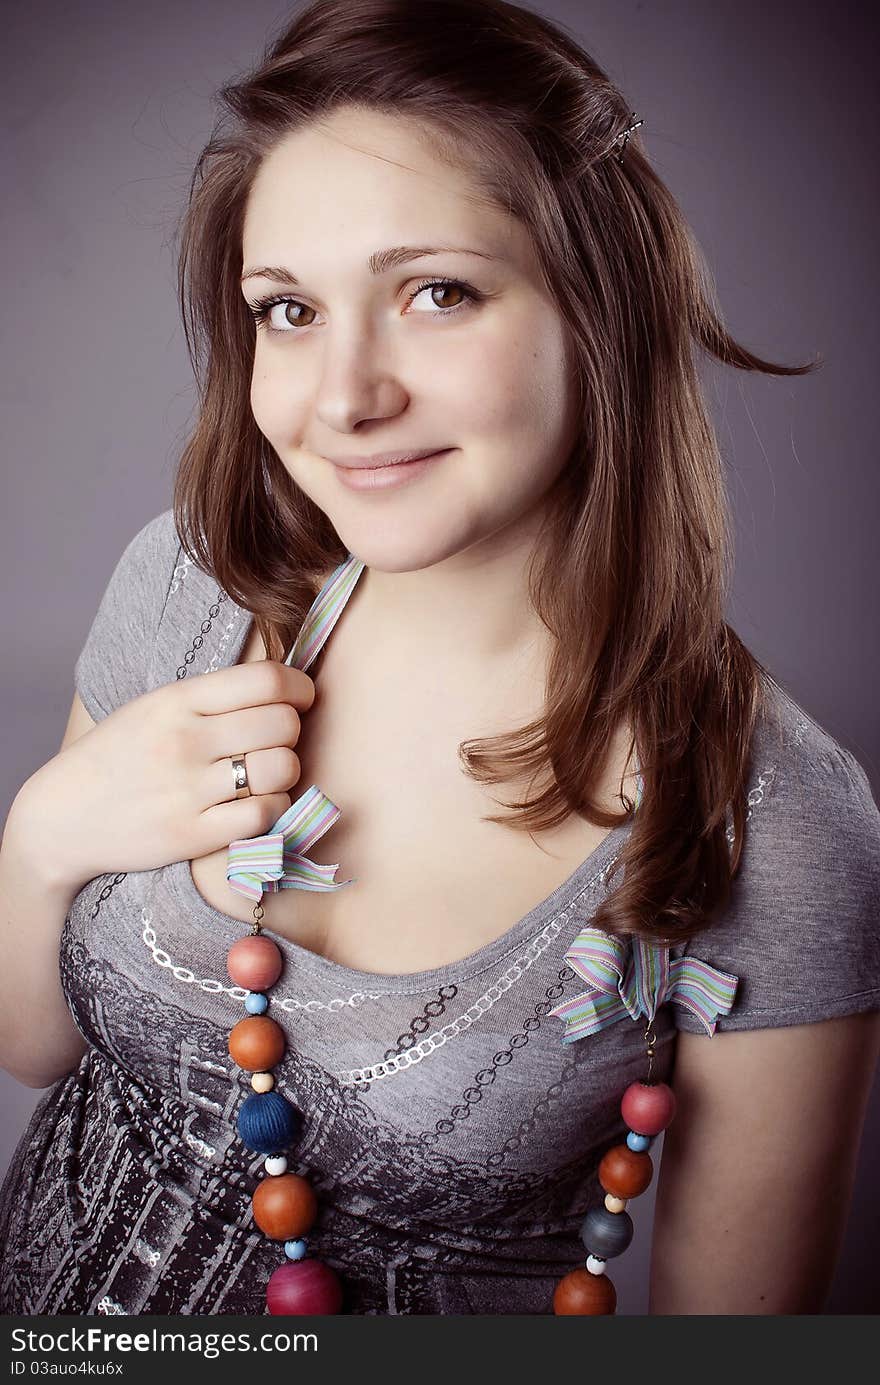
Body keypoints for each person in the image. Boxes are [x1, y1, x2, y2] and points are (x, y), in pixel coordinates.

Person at [1, 0, 878, 1317]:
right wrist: (40, 835)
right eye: (287, 309)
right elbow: (33, 1043)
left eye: (438, 292)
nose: (346, 394)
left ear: (601, 306)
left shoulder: (778, 825)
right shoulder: (192, 584)